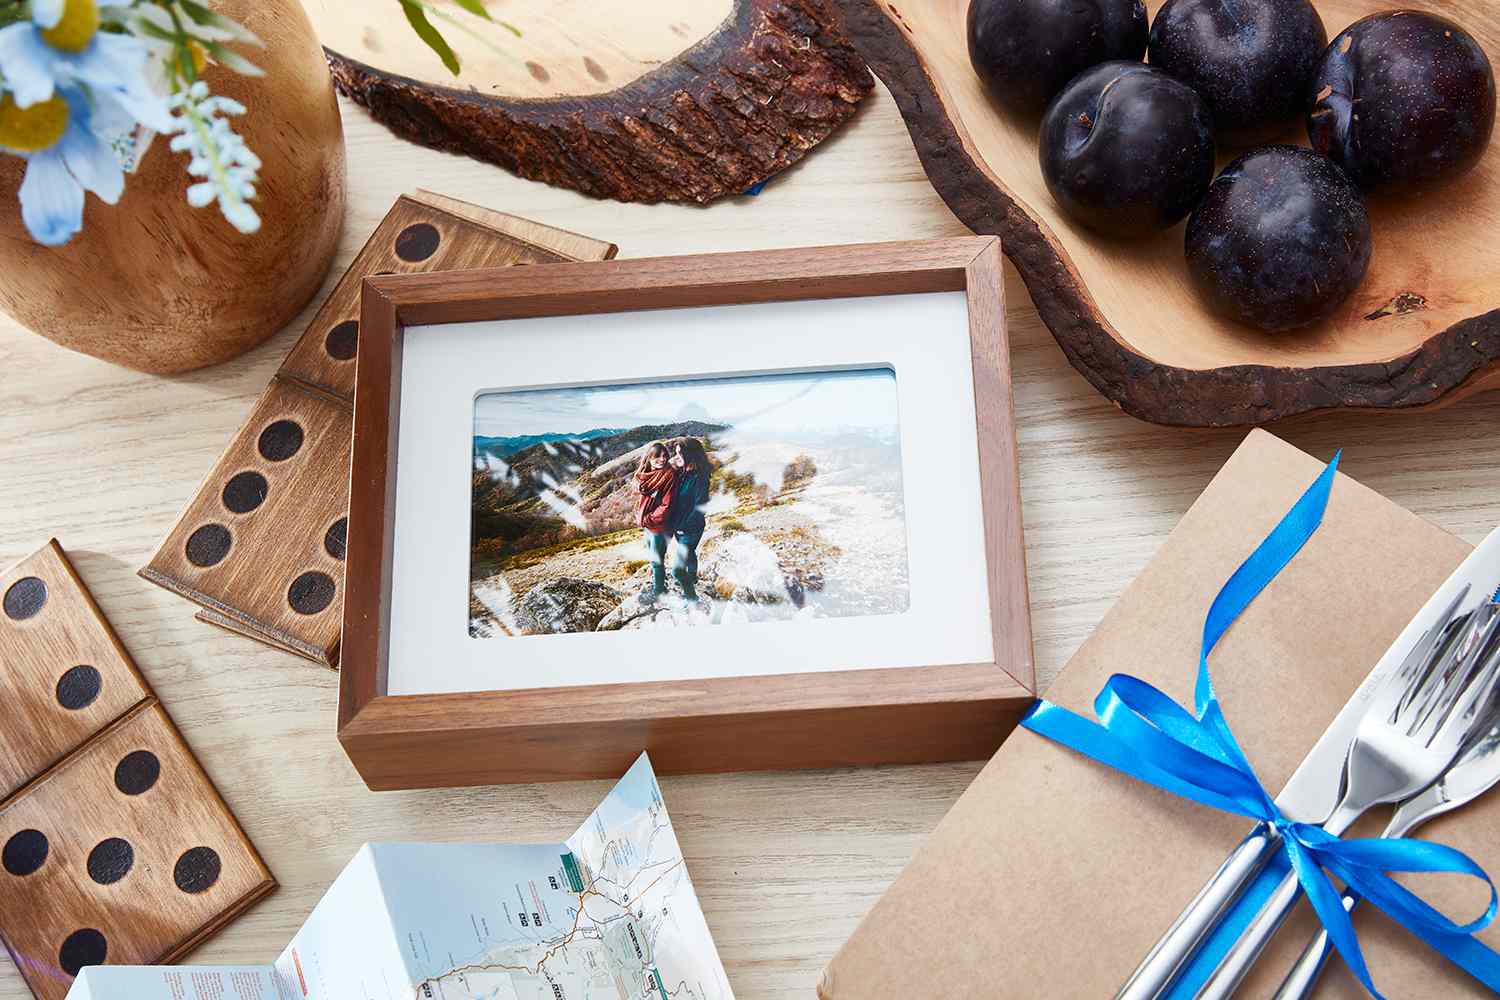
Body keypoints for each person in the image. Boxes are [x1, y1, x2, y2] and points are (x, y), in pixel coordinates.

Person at [667, 437, 713, 604]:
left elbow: (700, 507)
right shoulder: (683, 473)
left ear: (690, 455)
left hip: (690, 528)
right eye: (676, 453)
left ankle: (692, 600)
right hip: (679, 526)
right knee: (689, 553)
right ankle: (692, 578)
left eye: (680, 453)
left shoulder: (700, 478)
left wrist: (683, 527)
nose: (676, 456)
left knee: (677, 571)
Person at [633, 441, 677, 602]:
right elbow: (644, 499)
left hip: (660, 525)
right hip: (648, 525)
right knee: (653, 557)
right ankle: (658, 585)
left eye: (665, 456)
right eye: (657, 456)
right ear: (649, 458)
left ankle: (659, 592)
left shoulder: (668, 475)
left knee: (657, 560)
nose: (662, 459)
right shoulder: (647, 475)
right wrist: (641, 517)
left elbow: (667, 505)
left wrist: (648, 519)